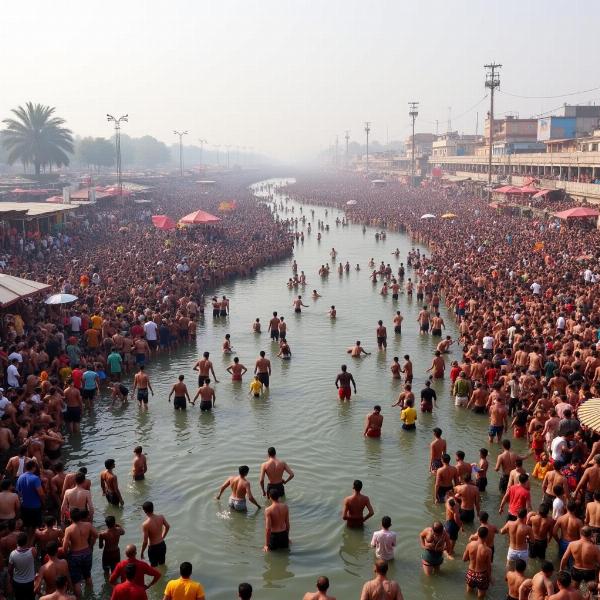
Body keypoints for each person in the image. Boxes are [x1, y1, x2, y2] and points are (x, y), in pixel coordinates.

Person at [61, 507, 98, 597]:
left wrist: (66, 554)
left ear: (71, 518)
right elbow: (96, 535)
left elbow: (64, 547)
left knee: (76, 581)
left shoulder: (68, 529)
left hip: (75, 555)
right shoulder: (88, 525)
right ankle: (91, 595)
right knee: (88, 576)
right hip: (87, 552)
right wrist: (90, 546)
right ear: (80, 517)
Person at [462, 527, 492, 599]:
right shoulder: (488, 550)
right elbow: (489, 566)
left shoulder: (470, 545)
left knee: (469, 594)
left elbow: (464, 559)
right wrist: (490, 578)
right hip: (482, 575)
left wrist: (472, 558)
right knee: (480, 597)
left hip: (470, 573)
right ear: (486, 535)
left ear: (477, 534)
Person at [16, 459, 44, 530]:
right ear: (34, 467)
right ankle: (31, 540)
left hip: (24, 506)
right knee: (36, 527)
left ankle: (28, 539)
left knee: (27, 526)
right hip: (35, 506)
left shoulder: (20, 477)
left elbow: (18, 493)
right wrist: (43, 502)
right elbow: (41, 494)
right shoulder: (35, 478)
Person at [9, 531, 36, 600]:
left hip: (17, 582)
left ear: (17, 542)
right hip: (30, 582)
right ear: (26, 542)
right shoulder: (32, 551)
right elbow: (31, 549)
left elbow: (10, 570)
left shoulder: (13, 554)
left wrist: (11, 579)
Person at [140, 501, 169, 567]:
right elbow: (167, 526)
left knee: (154, 567)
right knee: (162, 565)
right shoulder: (161, 517)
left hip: (153, 548)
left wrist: (142, 552)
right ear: (153, 508)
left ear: (144, 511)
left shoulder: (145, 524)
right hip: (162, 545)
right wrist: (162, 537)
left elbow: (145, 542)